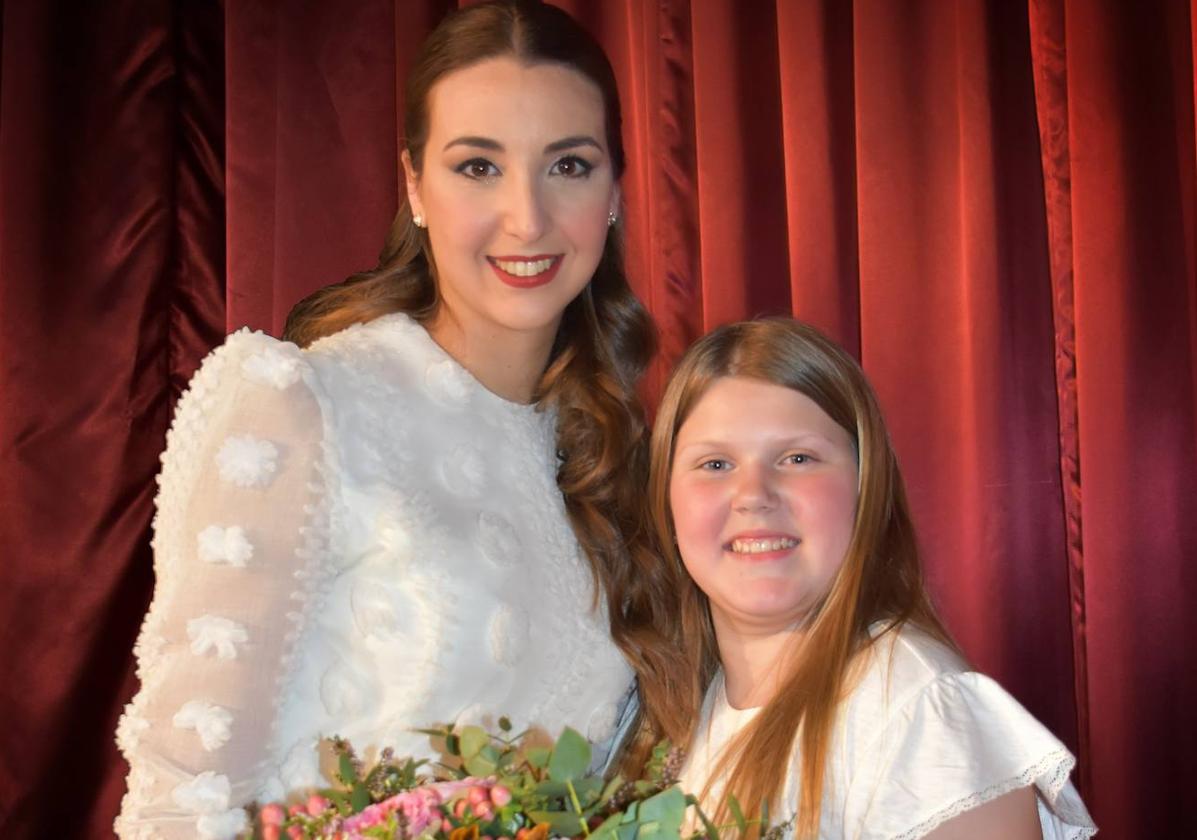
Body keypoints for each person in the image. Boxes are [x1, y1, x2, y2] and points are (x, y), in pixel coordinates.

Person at [114, 2, 682, 837]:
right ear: (414, 185)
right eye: (477, 167)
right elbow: (180, 789)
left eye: (568, 165)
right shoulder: (301, 403)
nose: (526, 217)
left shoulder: (614, 456)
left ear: (612, 193)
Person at [634, 319, 1096, 839]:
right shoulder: (672, 721)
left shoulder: (925, 724)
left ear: (866, 487)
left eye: (797, 458)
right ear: (666, 501)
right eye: (715, 463)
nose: (753, 495)